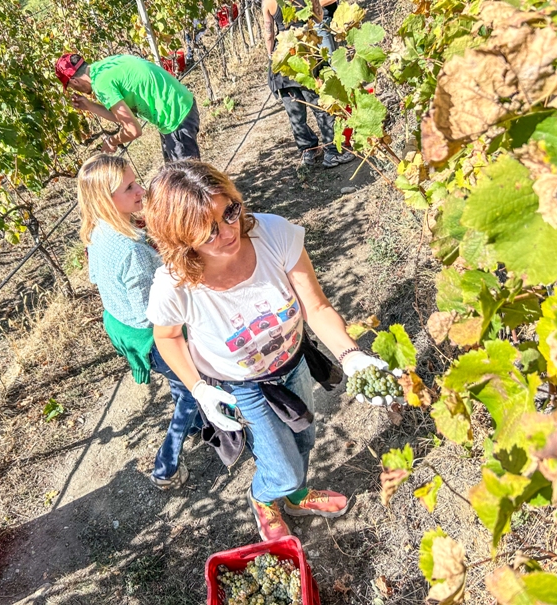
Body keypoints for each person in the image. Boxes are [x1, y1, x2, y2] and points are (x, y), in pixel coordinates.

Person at [144, 161, 391, 541]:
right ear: (181, 240)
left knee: (305, 439)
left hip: (293, 362)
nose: (228, 231)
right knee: (284, 466)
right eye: (208, 231)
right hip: (242, 385)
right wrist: (198, 388)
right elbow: (167, 337)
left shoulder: (272, 233)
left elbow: (316, 307)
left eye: (229, 211)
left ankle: (294, 497)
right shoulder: (175, 284)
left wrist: (350, 355)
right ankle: (265, 497)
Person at [77, 153, 200, 490]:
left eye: (135, 181)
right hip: (146, 332)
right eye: (129, 187)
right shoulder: (132, 248)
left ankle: (195, 425)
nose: (140, 189)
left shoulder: (98, 231)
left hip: (119, 324)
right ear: (106, 199)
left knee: (178, 380)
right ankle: (166, 465)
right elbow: (154, 310)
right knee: (194, 385)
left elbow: (97, 277)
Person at [56, 53, 201, 162]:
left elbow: (133, 130)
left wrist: (112, 141)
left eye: (70, 87)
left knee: (190, 188)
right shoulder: (106, 65)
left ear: (74, 81)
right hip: (181, 104)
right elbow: (125, 118)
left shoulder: (101, 85)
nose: (76, 91)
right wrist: (90, 106)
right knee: (175, 181)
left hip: (175, 118)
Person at [262, 0, 354, 168]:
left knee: (295, 112)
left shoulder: (267, 1)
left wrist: (272, 55)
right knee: (320, 106)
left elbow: (268, 32)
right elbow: (319, 18)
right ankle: (332, 152)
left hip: (283, 55)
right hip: (305, 51)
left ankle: (308, 151)